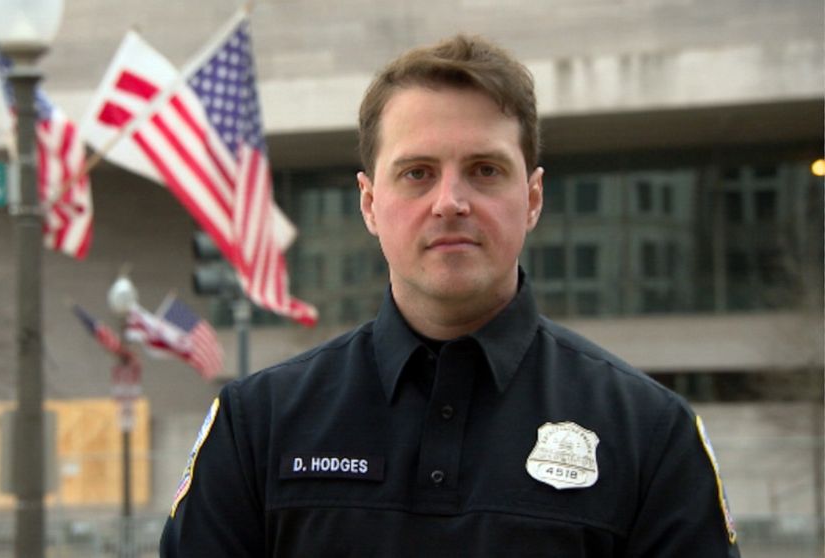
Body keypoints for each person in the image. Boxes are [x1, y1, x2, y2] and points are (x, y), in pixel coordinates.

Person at [161, 35, 742, 557]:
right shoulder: (259, 425)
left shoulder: (648, 432)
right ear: (369, 203)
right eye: (416, 172)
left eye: (485, 170)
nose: (449, 202)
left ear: (533, 198)